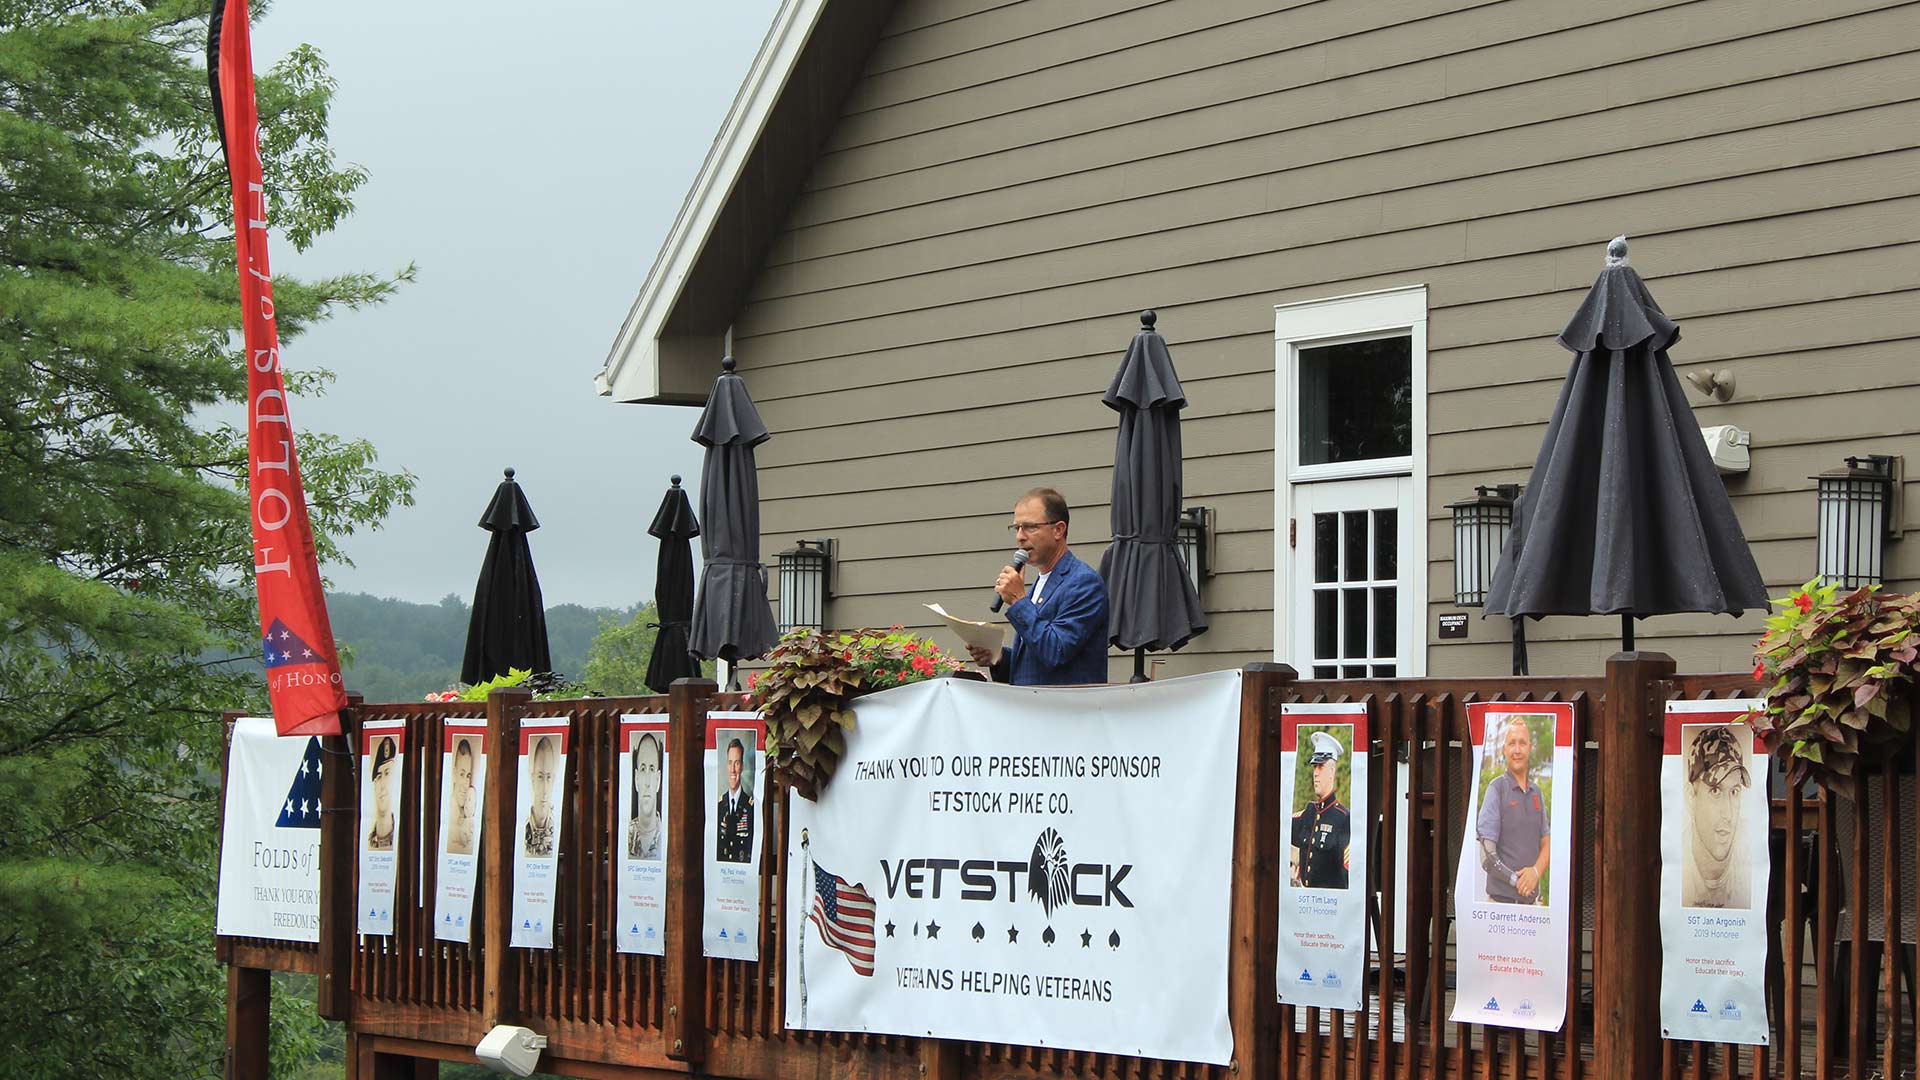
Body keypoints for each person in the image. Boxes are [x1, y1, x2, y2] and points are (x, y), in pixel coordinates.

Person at [965, 488, 1110, 686]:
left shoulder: (1083, 583)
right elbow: (1035, 661)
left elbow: (1056, 651)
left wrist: (1018, 601)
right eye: (1016, 528)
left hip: (1066, 712)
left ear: (1058, 530)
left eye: (1030, 527)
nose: (1020, 537)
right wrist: (998, 658)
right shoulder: (1040, 584)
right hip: (1034, 709)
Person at [1476, 718, 1549, 905]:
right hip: (1500, 908)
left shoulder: (1537, 793)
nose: (1517, 750)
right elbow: (1487, 857)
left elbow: (1547, 844)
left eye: (1522, 743)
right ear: (1504, 750)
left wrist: (1535, 873)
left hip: (1531, 908)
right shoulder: (1496, 789)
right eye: (1512, 743)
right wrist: (1518, 881)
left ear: (1530, 748)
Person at [1683, 725, 1752, 909]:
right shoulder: (1676, 864)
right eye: (1715, 791)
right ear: (1691, 797)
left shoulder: (1749, 863)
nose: (1727, 814)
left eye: (1734, 792)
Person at [1290, 730, 1351, 889]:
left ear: (1332, 771)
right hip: (1305, 903)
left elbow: (1347, 876)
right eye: (1314, 767)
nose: (1315, 774)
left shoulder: (1343, 818)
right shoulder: (1308, 814)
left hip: (1330, 905)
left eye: (1321, 767)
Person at [715, 737, 754, 863]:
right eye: (730, 763)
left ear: (742, 767)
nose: (733, 769)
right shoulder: (719, 806)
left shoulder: (751, 807)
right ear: (726, 765)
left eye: (736, 763)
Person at [628, 732, 664, 861]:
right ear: (636, 779)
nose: (648, 782)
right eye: (643, 769)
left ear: (658, 780)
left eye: (652, 769)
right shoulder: (627, 834)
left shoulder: (666, 833)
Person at [523, 734, 558, 858]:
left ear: (553, 780)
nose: (544, 789)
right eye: (540, 777)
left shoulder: (558, 824)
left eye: (548, 778)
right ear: (532, 779)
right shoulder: (522, 824)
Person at [444, 738, 477, 856]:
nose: (465, 784)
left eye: (468, 776)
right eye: (461, 774)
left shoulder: (468, 809)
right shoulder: (447, 810)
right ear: (454, 772)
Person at [366, 735, 398, 851]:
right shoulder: (369, 839)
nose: (383, 784)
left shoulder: (400, 836)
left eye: (388, 773)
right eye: (378, 777)